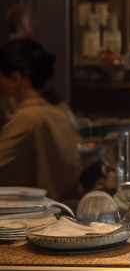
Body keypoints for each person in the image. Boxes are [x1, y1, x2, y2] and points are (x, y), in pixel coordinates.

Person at [0, 39, 82, 200]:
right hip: (60, 214)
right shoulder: (57, 113)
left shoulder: (27, 119)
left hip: (34, 218)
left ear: (15, 78)